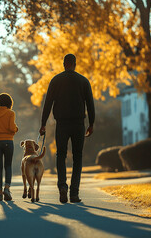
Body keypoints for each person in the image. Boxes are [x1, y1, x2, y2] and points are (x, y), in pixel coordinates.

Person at [39, 54, 95, 203]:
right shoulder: (83, 81)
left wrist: (43, 123)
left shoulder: (56, 81)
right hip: (78, 124)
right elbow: (90, 103)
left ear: (64, 64)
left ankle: (62, 187)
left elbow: (48, 103)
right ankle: (74, 193)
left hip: (62, 124)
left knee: (61, 155)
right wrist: (91, 123)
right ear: (75, 64)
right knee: (78, 157)